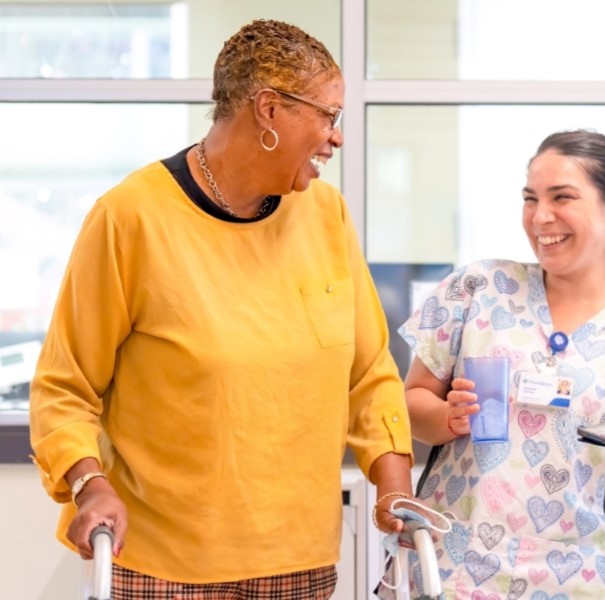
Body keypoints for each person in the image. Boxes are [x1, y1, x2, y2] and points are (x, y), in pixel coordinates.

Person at [29, 19, 415, 600]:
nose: (336, 138)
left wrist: (393, 489)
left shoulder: (325, 216)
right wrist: (90, 485)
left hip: (300, 565)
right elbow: (65, 388)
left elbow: (368, 375)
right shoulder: (131, 219)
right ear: (268, 110)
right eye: (327, 116)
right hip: (163, 567)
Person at [379, 130, 605, 599]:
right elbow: (409, 404)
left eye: (562, 197)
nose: (540, 217)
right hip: (453, 570)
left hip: (574, 579)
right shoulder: (478, 288)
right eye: (531, 198)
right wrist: (446, 418)